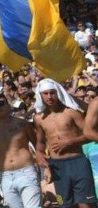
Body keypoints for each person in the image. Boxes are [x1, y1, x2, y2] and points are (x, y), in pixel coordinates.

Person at [34, 78, 97, 208]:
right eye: (45, 93)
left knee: (85, 203)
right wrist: (38, 154)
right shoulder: (39, 118)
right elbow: (40, 143)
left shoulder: (71, 112)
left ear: (58, 93)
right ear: (40, 96)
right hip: (57, 166)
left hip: (77, 162)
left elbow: (89, 134)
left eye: (52, 92)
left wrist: (69, 142)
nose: (49, 96)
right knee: (64, 204)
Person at [0, 93, 41, 208]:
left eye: (0, 103)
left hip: (26, 172)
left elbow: (37, 146)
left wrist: (45, 168)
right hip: (6, 176)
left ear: (8, 106)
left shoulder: (22, 124)